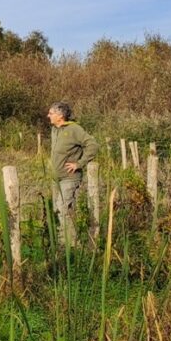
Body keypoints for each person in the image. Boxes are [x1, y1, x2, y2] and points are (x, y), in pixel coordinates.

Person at [48, 101, 98, 246]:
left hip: (69, 178)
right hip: (56, 178)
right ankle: (64, 242)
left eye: (51, 113)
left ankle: (72, 246)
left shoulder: (74, 129)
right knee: (59, 210)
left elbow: (92, 145)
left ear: (60, 115)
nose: (48, 116)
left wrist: (79, 164)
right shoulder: (55, 129)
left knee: (63, 208)